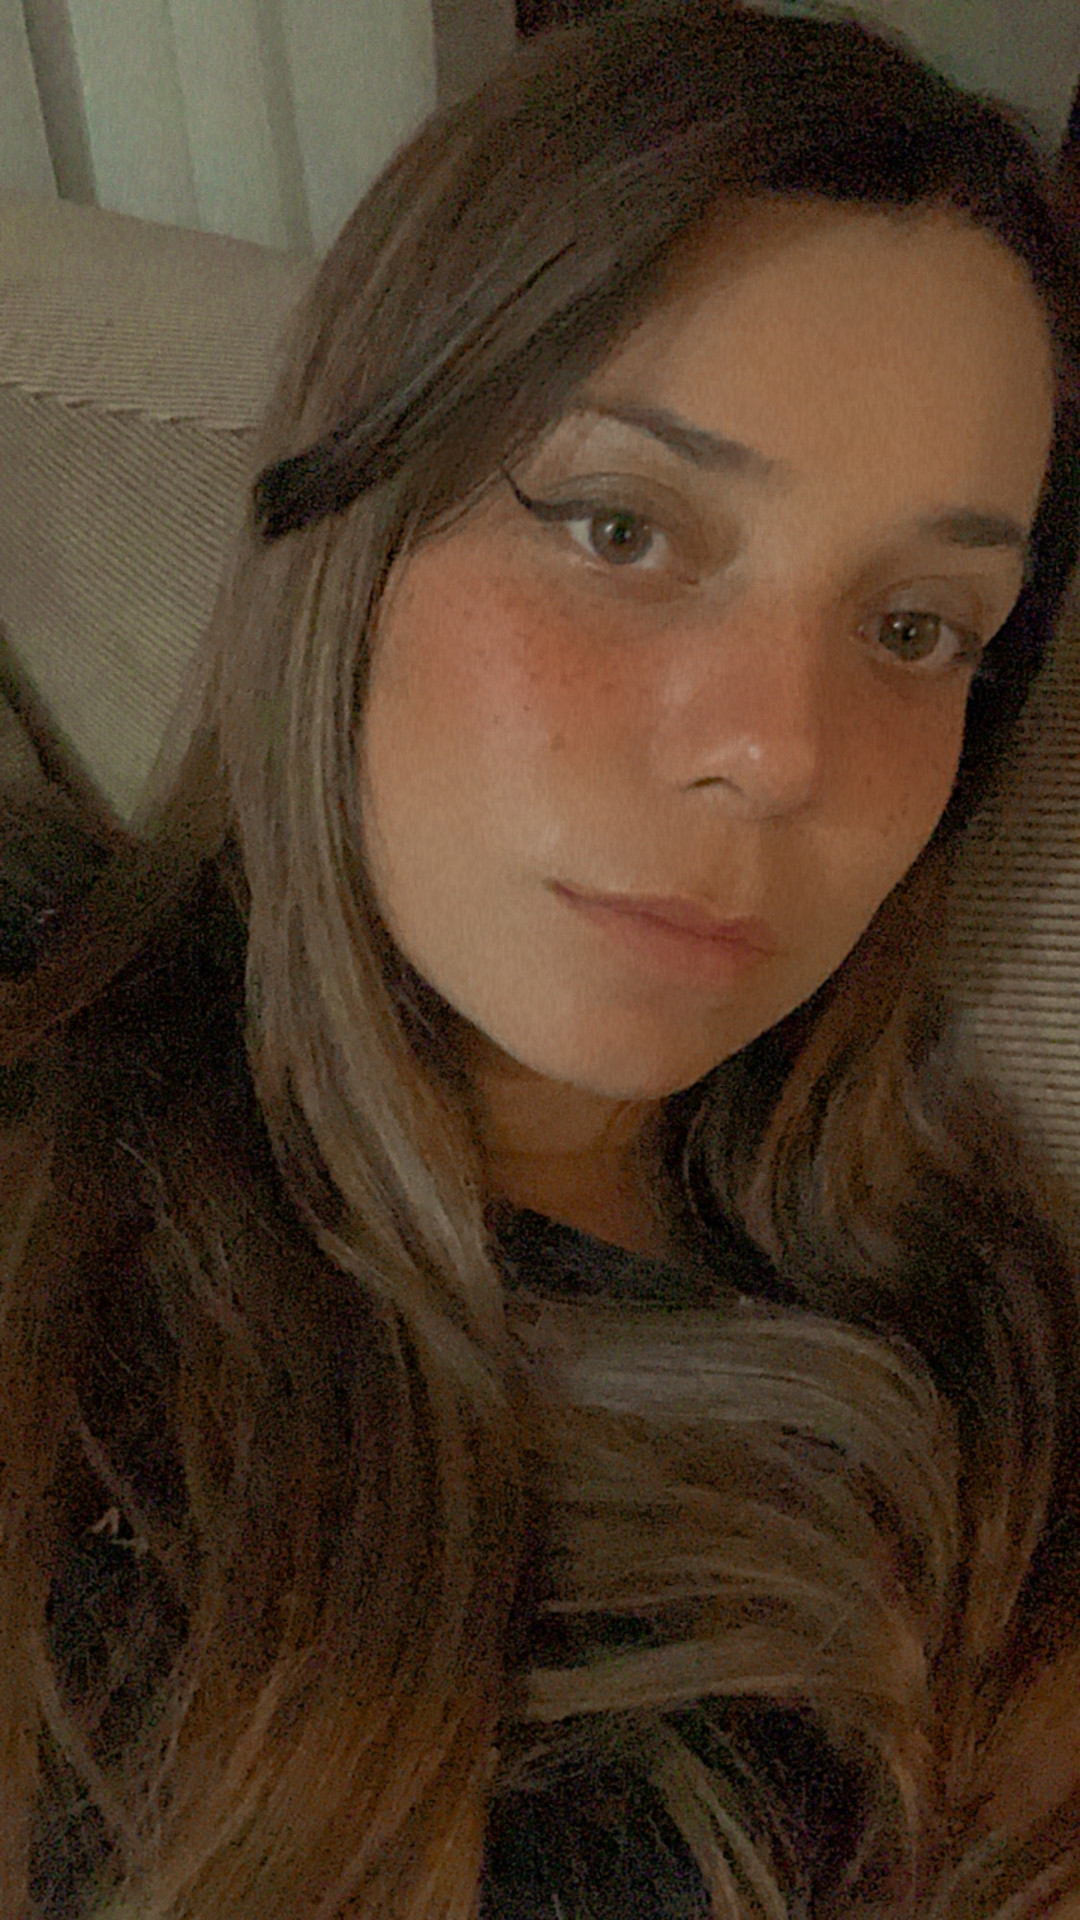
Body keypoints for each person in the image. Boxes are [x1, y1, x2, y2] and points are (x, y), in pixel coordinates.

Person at [3, 3, 1080, 1915]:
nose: (780, 751)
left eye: (916, 628)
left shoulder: (990, 1374)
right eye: (620, 527)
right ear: (349, 512)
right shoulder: (46, 1069)